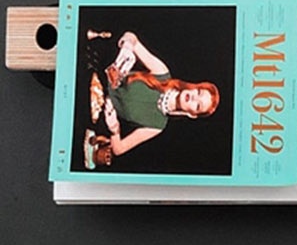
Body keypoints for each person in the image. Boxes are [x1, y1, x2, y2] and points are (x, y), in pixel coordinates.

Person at [83, 28, 220, 167]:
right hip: (93, 73)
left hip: (91, 112)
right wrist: (128, 45)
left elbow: (118, 149)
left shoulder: (157, 126)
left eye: (198, 105)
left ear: (192, 115)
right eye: (199, 92)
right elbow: (132, 37)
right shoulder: (162, 73)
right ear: (194, 86)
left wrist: (114, 129)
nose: (194, 98)